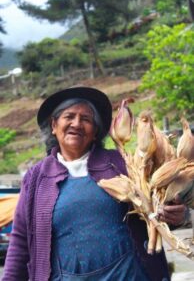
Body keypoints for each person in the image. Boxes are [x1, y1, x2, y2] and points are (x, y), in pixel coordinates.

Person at [2, 86, 186, 281]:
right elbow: (21, 240)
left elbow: (156, 211)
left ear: (96, 132)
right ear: (54, 126)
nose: (77, 123)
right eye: (69, 116)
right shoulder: (36, 177)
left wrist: (175, 215)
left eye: (86, 119)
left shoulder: (122, 163)